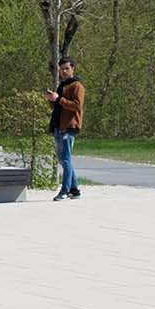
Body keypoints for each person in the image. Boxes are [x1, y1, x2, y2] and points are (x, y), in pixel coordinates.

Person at [46, 57, 85, 201]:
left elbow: (77, 106)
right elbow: (58, 106)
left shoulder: (77, 86)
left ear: (72, 69)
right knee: (63, 159)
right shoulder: (62, 86)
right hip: (58, 125)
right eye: (62, 69)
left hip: (69, 126)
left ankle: (65, 190)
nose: (64, 71)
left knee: (66, 159)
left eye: (67, 68)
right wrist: (52, 100)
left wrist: (59, 99)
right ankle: (74, 189)